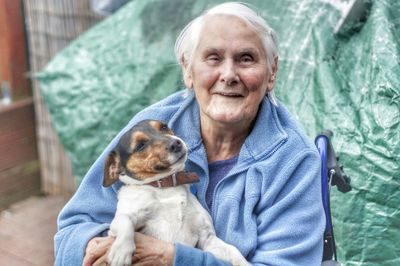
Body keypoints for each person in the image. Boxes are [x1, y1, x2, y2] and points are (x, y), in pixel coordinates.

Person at [54, 2, 325, 265]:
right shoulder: (153, 127)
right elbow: (73, 230)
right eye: (213, 58)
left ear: (272, 72)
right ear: (187, 69)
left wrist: (172, 259)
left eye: (246, 58)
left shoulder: (294, 161)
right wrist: (95, 248)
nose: (228, 74)